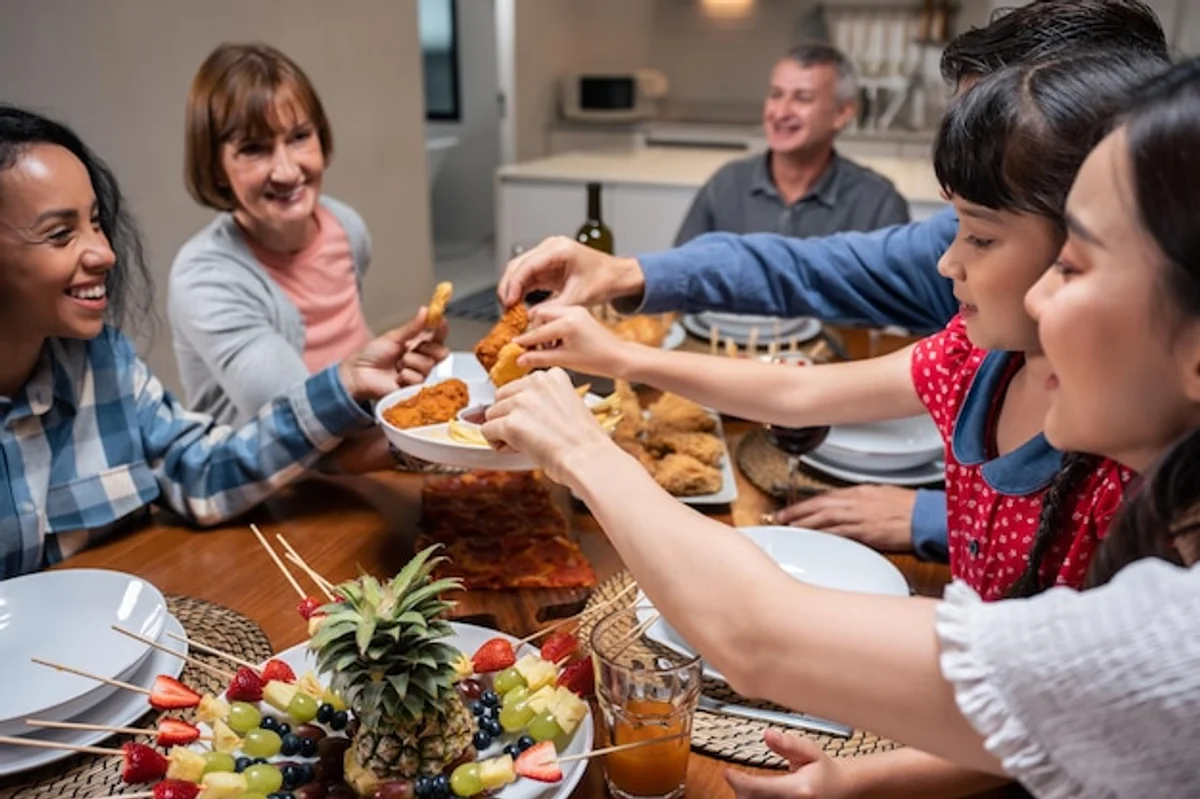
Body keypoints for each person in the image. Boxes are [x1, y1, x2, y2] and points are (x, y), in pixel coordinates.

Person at [479, 56, 1200, 798]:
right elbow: (1030, 721)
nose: (1039, 302)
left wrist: (580, 446)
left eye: (1074, 265)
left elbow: (759, 632)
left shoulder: (1170, 643)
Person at [496, 0, 1170, 564]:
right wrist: (623, 306)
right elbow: (797, 371)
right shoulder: (970, 356)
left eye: (982, 224)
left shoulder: (1133, 484)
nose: (948, 255)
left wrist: (586, 453)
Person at [0, 105, 441, 579]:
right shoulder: (207, 275)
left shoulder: (105, 364)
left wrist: (346, 383)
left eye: (95, 221)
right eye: (61, 234)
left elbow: (204, 472)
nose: (106, 253)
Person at [169, 43, 442, 469]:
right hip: (266, 496)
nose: (287, 170)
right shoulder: (205, 278)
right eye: (254, 149)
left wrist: (395, 378)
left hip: (353, 469)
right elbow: (297, 428)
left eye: (299, 137)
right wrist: (427, 441)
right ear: (216, 166)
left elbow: (346, 358)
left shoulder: (346, 227)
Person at [674, 43, 908, 246]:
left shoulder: (878, 203)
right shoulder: (726, 185)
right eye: (776, 95)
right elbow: (679, 277)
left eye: (802, 98)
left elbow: (893, 295)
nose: (781, 112)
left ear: (842, 113)